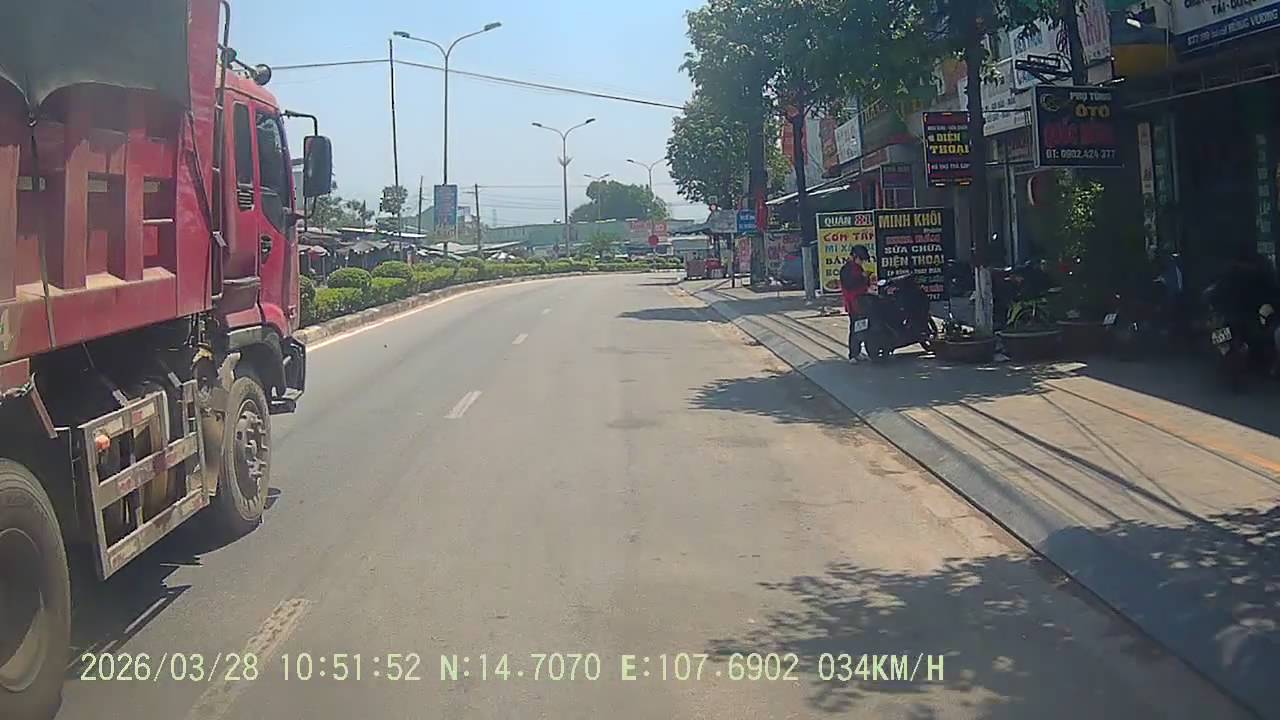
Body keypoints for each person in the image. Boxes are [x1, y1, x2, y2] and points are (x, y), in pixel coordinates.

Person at [840, 245, 872, 362]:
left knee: (864, 327)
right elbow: (849, 285)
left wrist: (866, 278)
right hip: (853, 303)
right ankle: (853, 354)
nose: (862, 261)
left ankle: (859, 352)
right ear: (854, 257)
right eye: (860, 259)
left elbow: (865, 284)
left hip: (863, 302)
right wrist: (862, 277)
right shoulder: (846, 269)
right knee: (855, 328)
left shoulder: (858, 268)